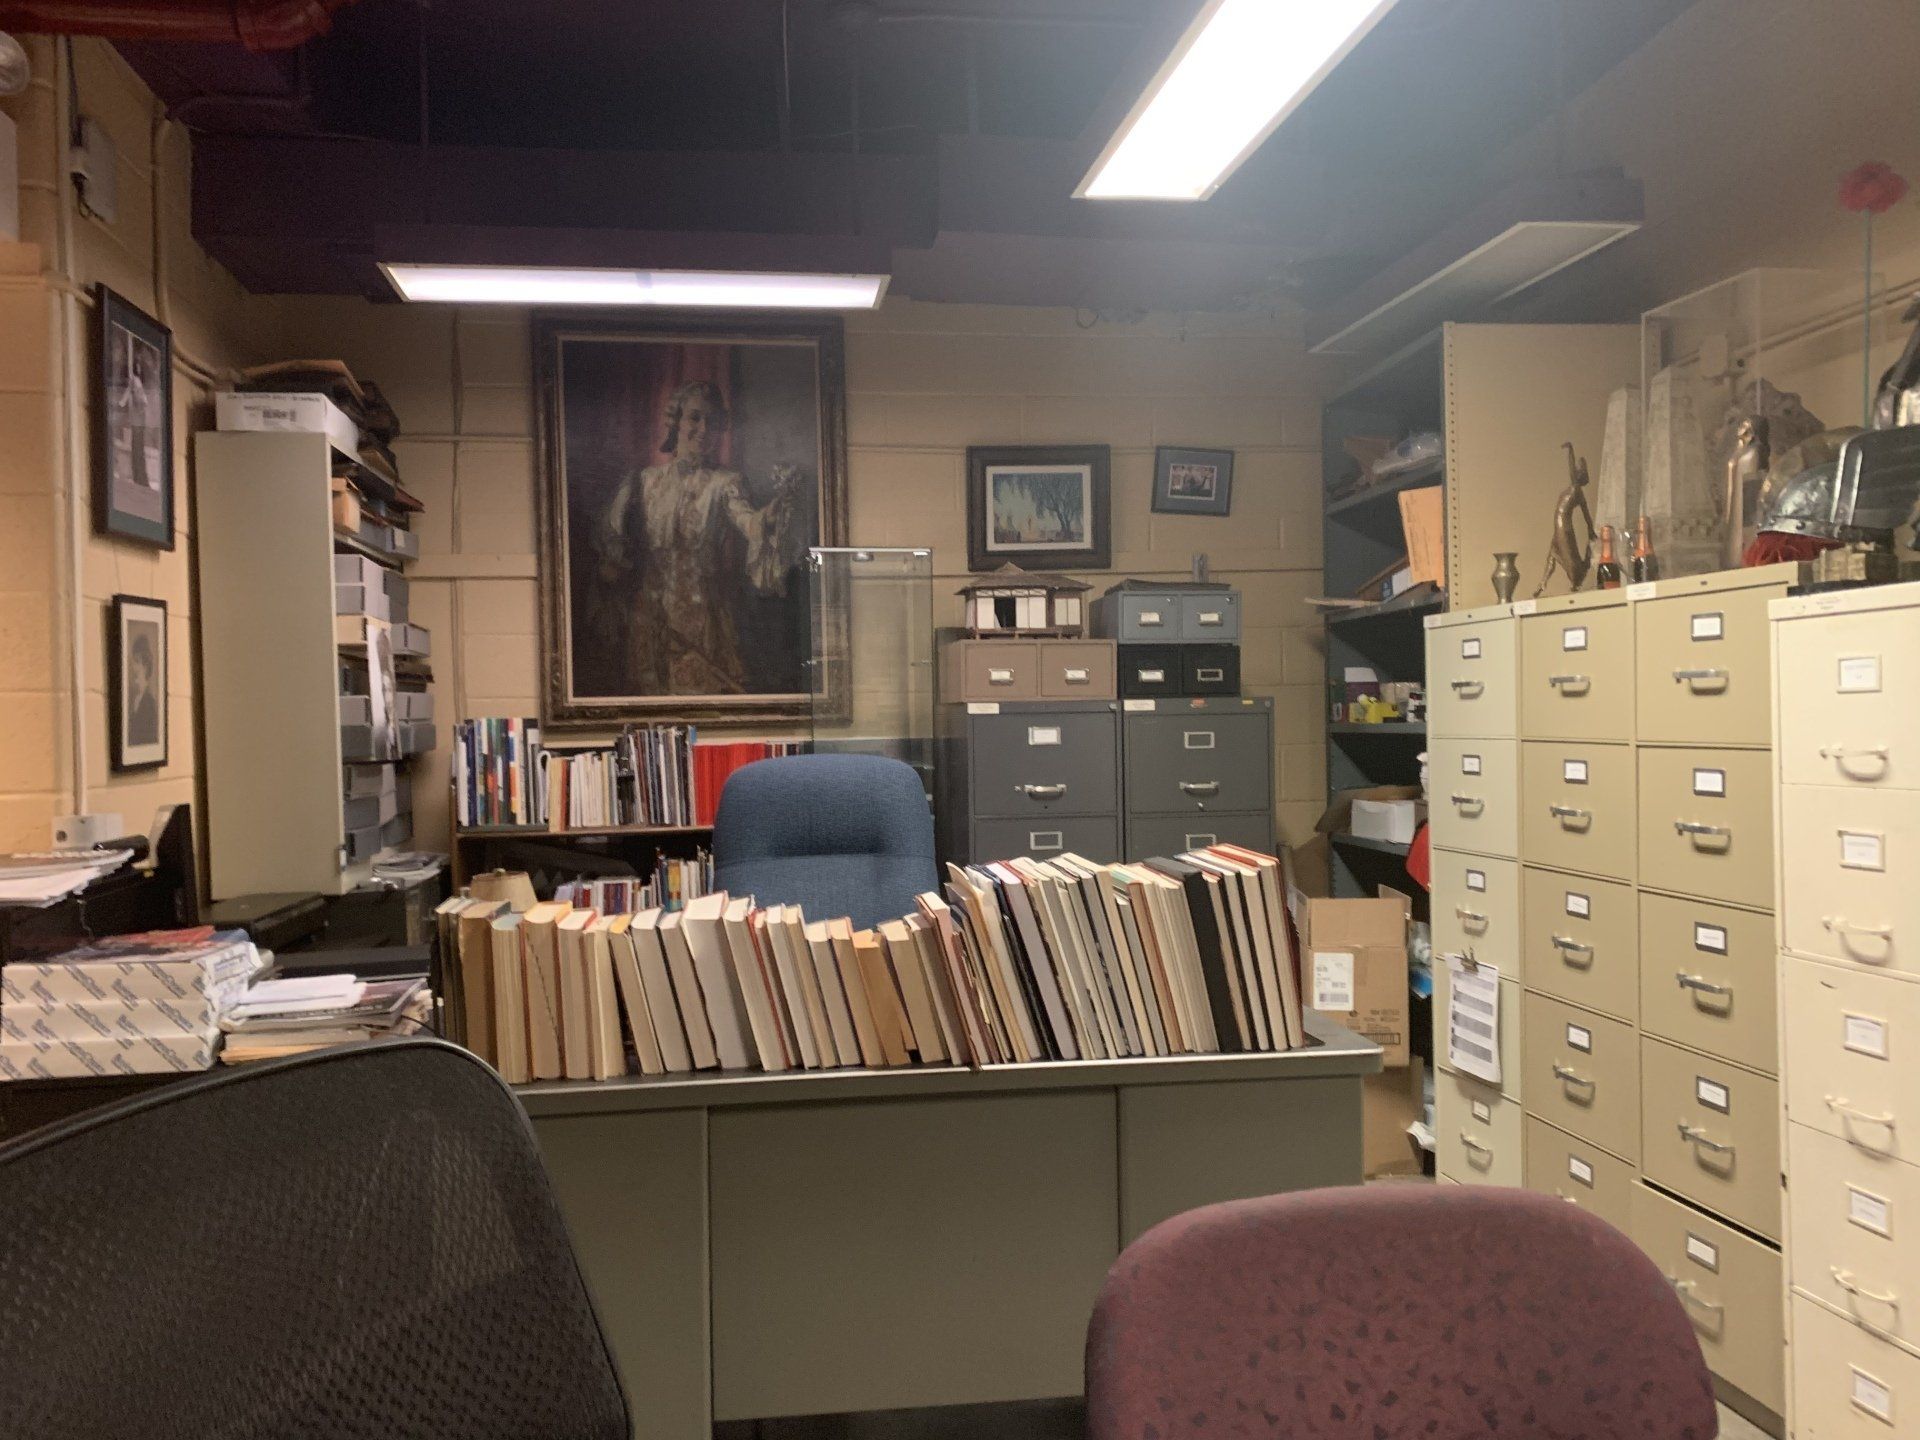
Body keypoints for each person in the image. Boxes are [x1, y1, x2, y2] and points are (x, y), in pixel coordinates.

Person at [594, 379, 803, 694]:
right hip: (648, 623)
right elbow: (613, 547)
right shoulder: (644, 482)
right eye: (695, 417)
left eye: (713, 422)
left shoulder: (726, 483)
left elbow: (748, 522)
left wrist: (769, 517)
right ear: (676, 421)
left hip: (703, 624)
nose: (704, 429)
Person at [125, 628, 160, 748]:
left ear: (145, 666)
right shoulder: (134, 699)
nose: (133, 667)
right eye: (133, 662)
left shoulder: (150, 703)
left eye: (137, 662)